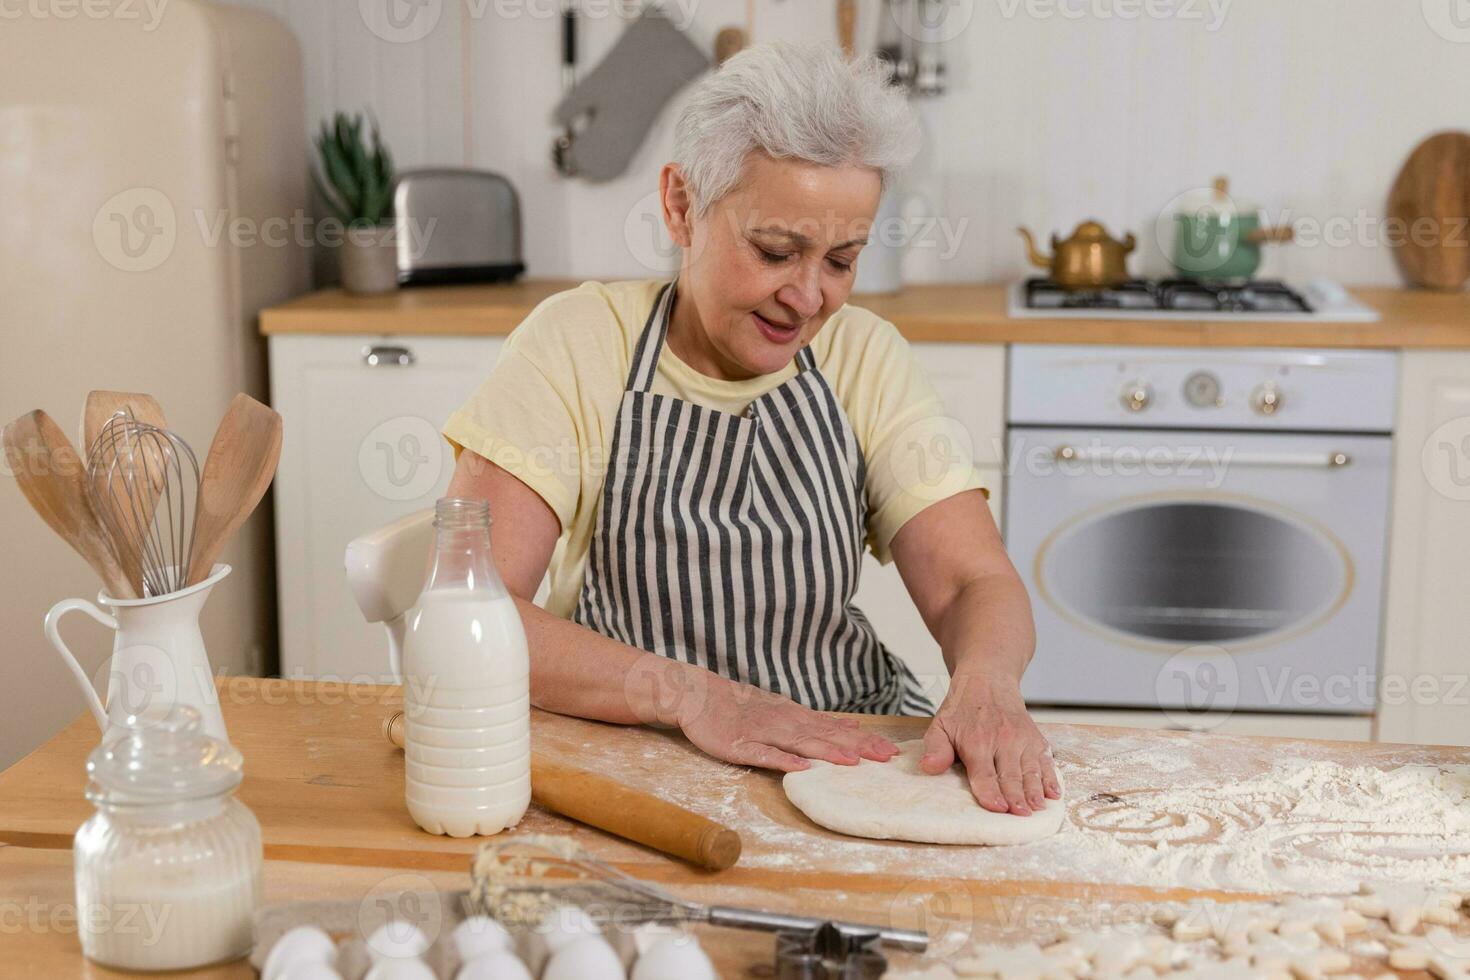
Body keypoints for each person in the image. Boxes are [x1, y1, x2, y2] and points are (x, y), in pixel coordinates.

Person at [442, 42, 1059, 815]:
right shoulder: (577, 343)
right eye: (775, 251)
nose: (807, 298)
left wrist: (987, 685)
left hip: (845, 746)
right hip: (634, 756)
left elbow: (974, 580)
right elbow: (470, 609)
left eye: (842, 259)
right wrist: (695, 697)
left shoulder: (861, 354)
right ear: (681, 207)